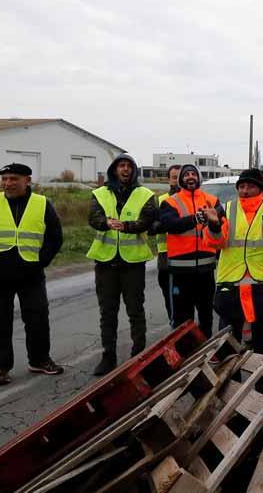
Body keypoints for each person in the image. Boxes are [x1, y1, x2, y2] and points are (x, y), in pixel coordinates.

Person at [0, 163, 64, 387]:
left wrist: (42, 261)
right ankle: (0, 368)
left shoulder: (42, 204)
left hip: (30, 274)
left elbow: (55, 237)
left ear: (27, 181)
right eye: (4, 179)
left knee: (38, 319)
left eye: (13, 179)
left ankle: (40, 360)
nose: (8, 184)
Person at [87, 154, 158, 376]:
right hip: (106, 262)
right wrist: (105, 222)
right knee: (107, 312)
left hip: (132, 263)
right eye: (121, 166)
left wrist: (126, 226)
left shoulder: (145, 194)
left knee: (135, 310)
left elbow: (148, 220)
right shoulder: (99, 193)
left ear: (134, 170)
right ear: (114, 170)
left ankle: (139, 355)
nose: (125, 170)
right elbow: (93, 218)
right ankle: (108, 356)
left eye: (129, 166)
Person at [207, 169, 263, 354]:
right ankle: (231, 383)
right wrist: (213, 226)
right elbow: (216, 243)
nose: (245, 190)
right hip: (231, 284)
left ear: (261, 189)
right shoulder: (226, 209)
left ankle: (262, 382)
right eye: (241, 186)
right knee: (228, 347)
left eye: (250, 186)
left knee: (262, 347)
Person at [156, 165, 221, 337]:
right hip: (180, 271)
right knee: (182, 320)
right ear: (180, 180)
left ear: (199, 178)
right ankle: (185, 355)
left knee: (206, 316)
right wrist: (196, 219)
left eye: (193, 174)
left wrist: (213, 221)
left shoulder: (212, 201)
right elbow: (171, 225)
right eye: (186, 175)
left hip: (206, 270)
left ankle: (207, 351)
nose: (190, 177)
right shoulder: (170, 202)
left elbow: (221, 225)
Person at [152, 164, 182, 322]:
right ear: (169, 180)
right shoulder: (161, 200)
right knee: (170, 295)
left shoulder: (192, 199)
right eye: (174, 177)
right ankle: (174, 325)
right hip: (166, 256)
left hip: (186, 256)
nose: (177, 181)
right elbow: (152, 226)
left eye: (179, 177)